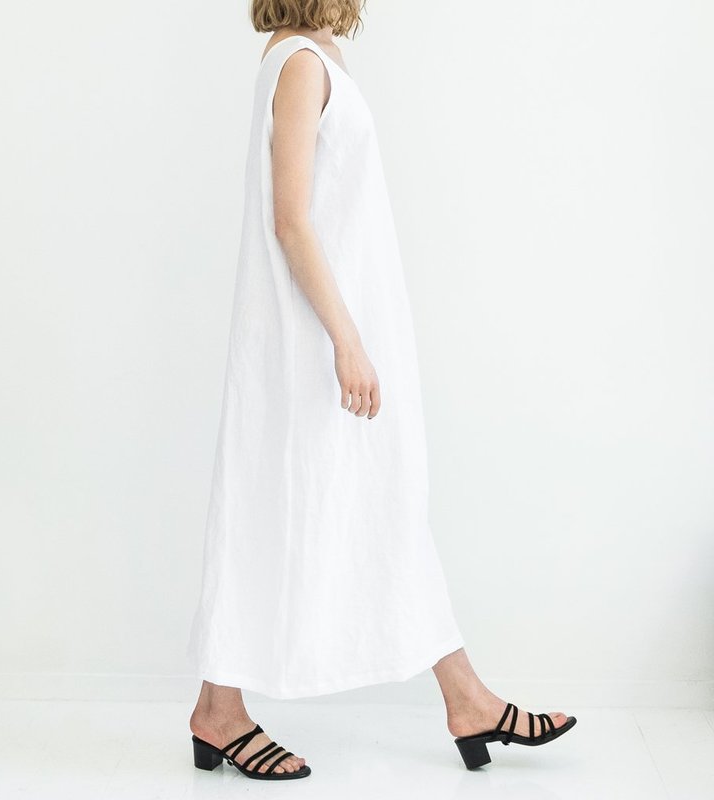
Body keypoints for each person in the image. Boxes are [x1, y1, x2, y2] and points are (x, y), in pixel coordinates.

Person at [186, 1, 576, 780]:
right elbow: (292, 219)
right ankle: (222, 710)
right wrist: (348, 341)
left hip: (333, 335)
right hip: (317, 343)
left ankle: (463, 697)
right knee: (290, 509)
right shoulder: (301, 64)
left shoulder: (310, 53)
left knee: (375, 507)